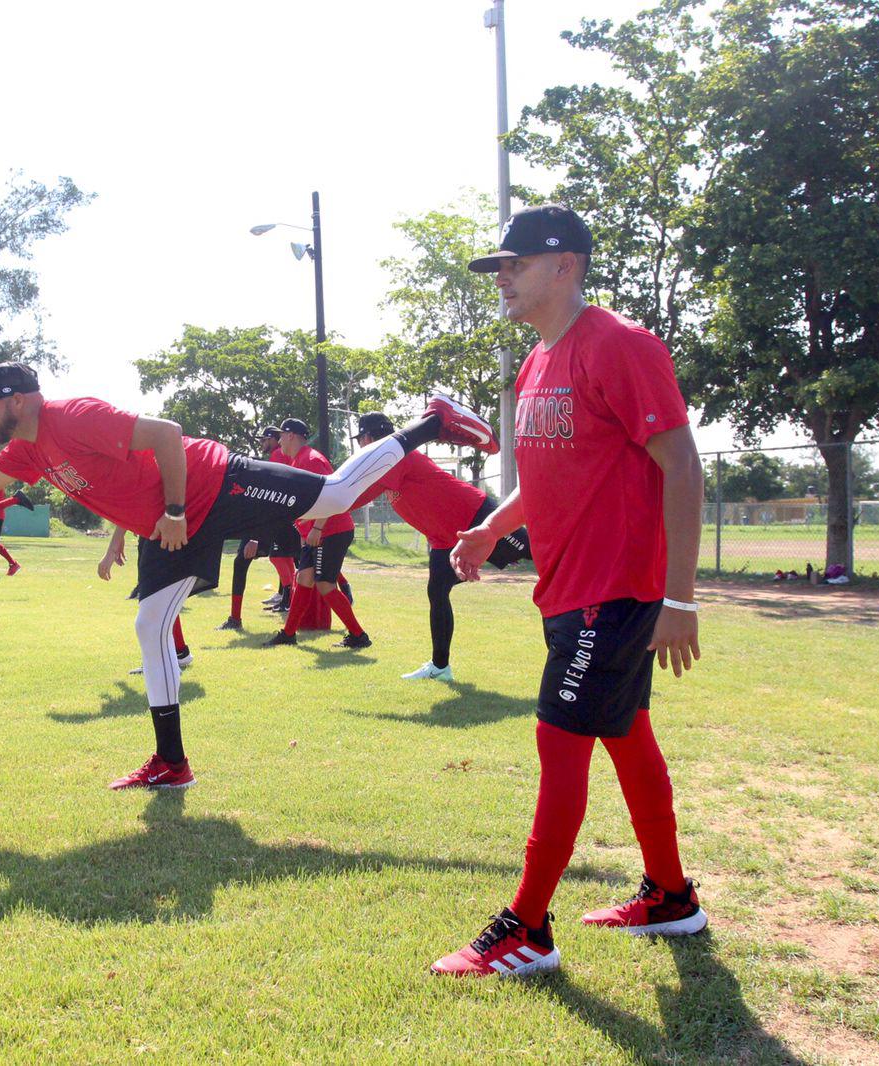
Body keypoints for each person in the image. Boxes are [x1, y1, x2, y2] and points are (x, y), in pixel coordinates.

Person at [0, 361, 496, 791]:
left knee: (335, 496)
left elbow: (167, 435)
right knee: (150, 623)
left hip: (212, 484)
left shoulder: (71, 417)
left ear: (17, 400)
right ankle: (171, 763)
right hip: (170, 525)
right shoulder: (27, 448)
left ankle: (431, 423)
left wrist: (176, 509)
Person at [429, 204, 707, 978]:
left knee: (560, 742)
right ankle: (670, 897)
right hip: (568, 590)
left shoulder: (621, 345)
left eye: (515, 264)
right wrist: (492, 527)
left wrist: (680, 599)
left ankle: (527, 928)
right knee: (628, 735)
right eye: (500, 267)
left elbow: (683, 466)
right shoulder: (536, 363)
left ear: (566, 266)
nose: (503, 279)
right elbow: (550, 474)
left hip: (612, 593)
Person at [348, 412, 532, 680]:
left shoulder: (393, 455)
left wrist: (324, 507)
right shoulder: (387, 458)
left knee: (543, 556)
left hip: (478, 516)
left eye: (360, 439)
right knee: (437, 592)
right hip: (444, 539)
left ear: (368, 437)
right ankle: (440, 667)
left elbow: (359, 492)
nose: (360, 445)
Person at [262, 418, 369, 650]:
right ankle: (288, 633)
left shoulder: (311, 460)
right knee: (303, 579)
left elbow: (331, 497)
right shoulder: (299, 460)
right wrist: (306, 532)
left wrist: (317, 528)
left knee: (325, 585)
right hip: (317, 533)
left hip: (331, 531)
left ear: (291, 435)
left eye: (281, 436)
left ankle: (359, 635)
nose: (279, 441)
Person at [218, 426, 300, 631]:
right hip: (281, 519)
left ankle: (237, 618)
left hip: (274, 521)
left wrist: (254, 537)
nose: (262, 443)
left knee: (293, 561)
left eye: (265, 439)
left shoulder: (277, 457)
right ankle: (288, 599)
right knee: (292, 560)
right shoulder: (272, 459)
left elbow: (268, 499)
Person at [100, 526, 193, 674]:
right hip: (158, 531)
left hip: (158, 532)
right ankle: (178, 651)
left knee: (151, 606)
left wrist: (113, 547)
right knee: (162, 597)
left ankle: (162, 662)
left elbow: (131, 509)